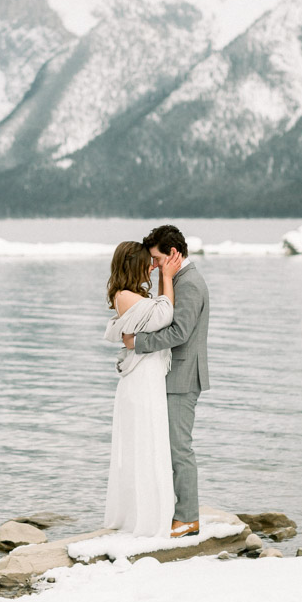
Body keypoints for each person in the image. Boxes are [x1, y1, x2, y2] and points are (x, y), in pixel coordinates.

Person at [122, 225, 209, 539]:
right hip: (173, 374)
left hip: (183, 377)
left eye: (157, 258)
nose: (154, 264)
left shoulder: (191, 284)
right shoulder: (177, 280)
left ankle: (188, 519)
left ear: (173, 254)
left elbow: (180, 332)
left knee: (178, 449)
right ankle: (172, 511)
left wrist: (138, 343)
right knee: (169, 447)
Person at [103, 240, 183, 537]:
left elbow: (155, 317)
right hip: (140, 381)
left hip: (148, 376)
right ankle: (144, 518)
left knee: (152, 441)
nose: (152, 266)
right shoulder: (123, 295)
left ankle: (154, 511)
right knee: (144, 444)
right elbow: (165, 315)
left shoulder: (134, 296)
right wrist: (167, 277)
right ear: (134, 264)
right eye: (147, 262)